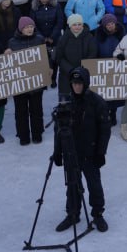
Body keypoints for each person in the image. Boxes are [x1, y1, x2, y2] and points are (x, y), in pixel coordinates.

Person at [51, 66, 111, 233]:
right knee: (72, 185)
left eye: (80, 83)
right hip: (71, 152)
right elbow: (59, 131)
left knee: (94, 185)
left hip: (90, 153)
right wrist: (58, 152)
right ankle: (72, 213)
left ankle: (98, 214)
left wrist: (101, 152)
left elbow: (105, 130)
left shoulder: (97, 102)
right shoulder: (66, 103)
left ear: (86, 83)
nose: (76, 86)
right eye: (74, 83)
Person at [55, 14, 99, 98]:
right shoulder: (63, 38)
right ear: (70, 26)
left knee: (84, 101)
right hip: (66, 75)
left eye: (79, 24)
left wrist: (82, 69)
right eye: (74, 25)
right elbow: (59, 57)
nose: (77, 27)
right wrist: (70, 69)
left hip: (84, 73)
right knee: (67, 103)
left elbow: (93, 53)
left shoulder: (89, 37)